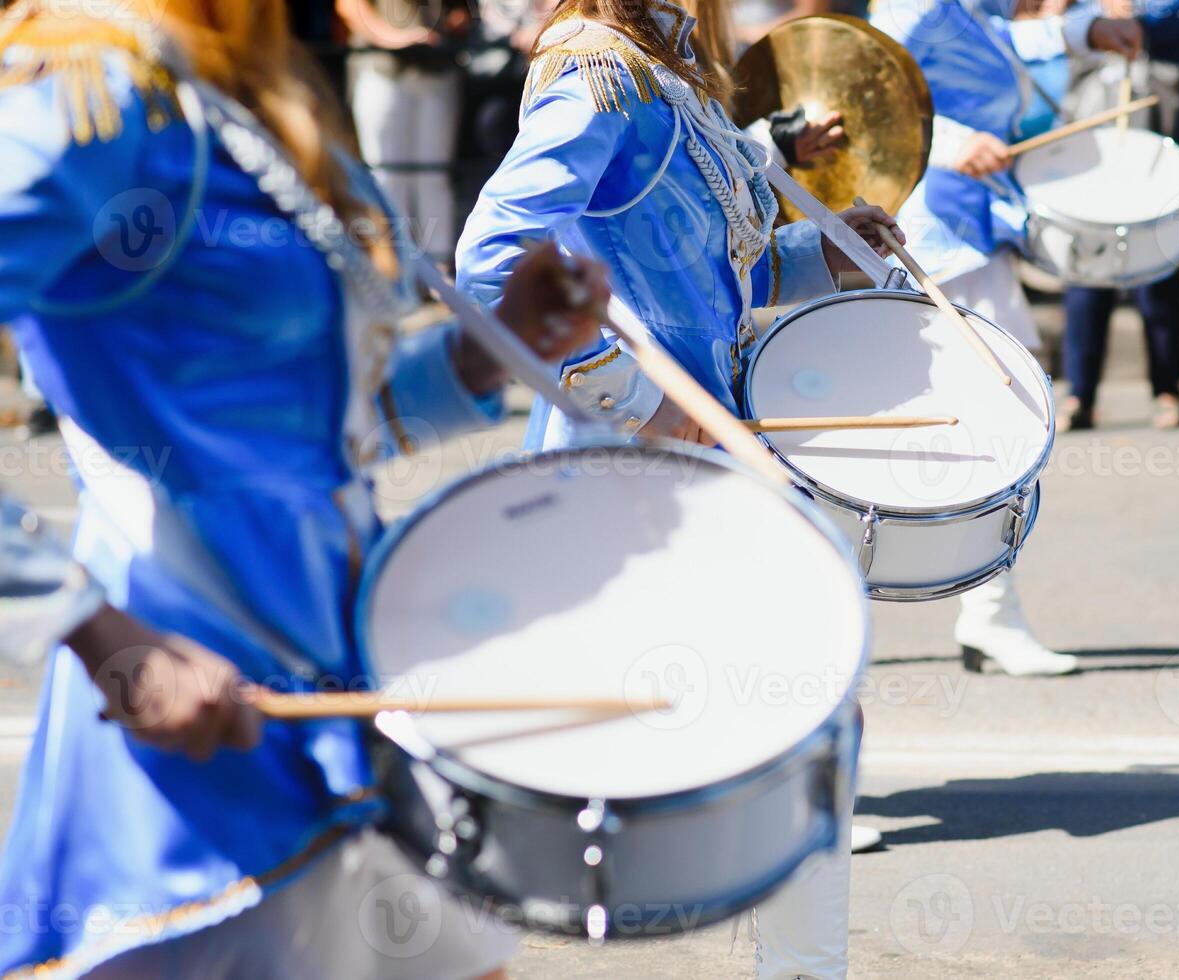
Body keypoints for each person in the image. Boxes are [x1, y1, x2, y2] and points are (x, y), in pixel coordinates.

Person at [0, 1, 606, 974]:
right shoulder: (86, 81)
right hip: (198, 716)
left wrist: (489, 353)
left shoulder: (251, 83)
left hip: (348, 695)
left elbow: (309, 432)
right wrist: (92, 625)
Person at [455, 0, 901, 972]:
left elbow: (718, 277)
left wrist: (815, 252)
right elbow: (490, 261)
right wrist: (642, 404)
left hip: (716, 454)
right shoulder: (595, 70)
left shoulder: (674, 61)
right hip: (639, 468)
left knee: (802, 718)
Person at [871, 0, 1141, 676]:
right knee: (997, 423)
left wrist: (1083, 30)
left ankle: (989, 613)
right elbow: (863, 79)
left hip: (962, 234)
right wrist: (952, 140)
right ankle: (983, 615)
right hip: (925, 236)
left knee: (992, 430)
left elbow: (992, 38)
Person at [1057, 0, 1179, 431]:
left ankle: (1168, 390)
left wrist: (1125, 20)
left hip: (1156, 162)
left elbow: (1175, 25)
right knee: (1086, 280)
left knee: (1158, 279)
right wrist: (1092, 22)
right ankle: (1080, 394)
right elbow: (1056, 34)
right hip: (1092, 161)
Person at [338, 0, 470, 268]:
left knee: (434, 175)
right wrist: (396, 39)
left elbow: (460, 14)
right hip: (381, 68)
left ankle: (437, 268)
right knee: (387, 176)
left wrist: (456, 23)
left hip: (436, 67)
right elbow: (350, 7)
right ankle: (396, 268)